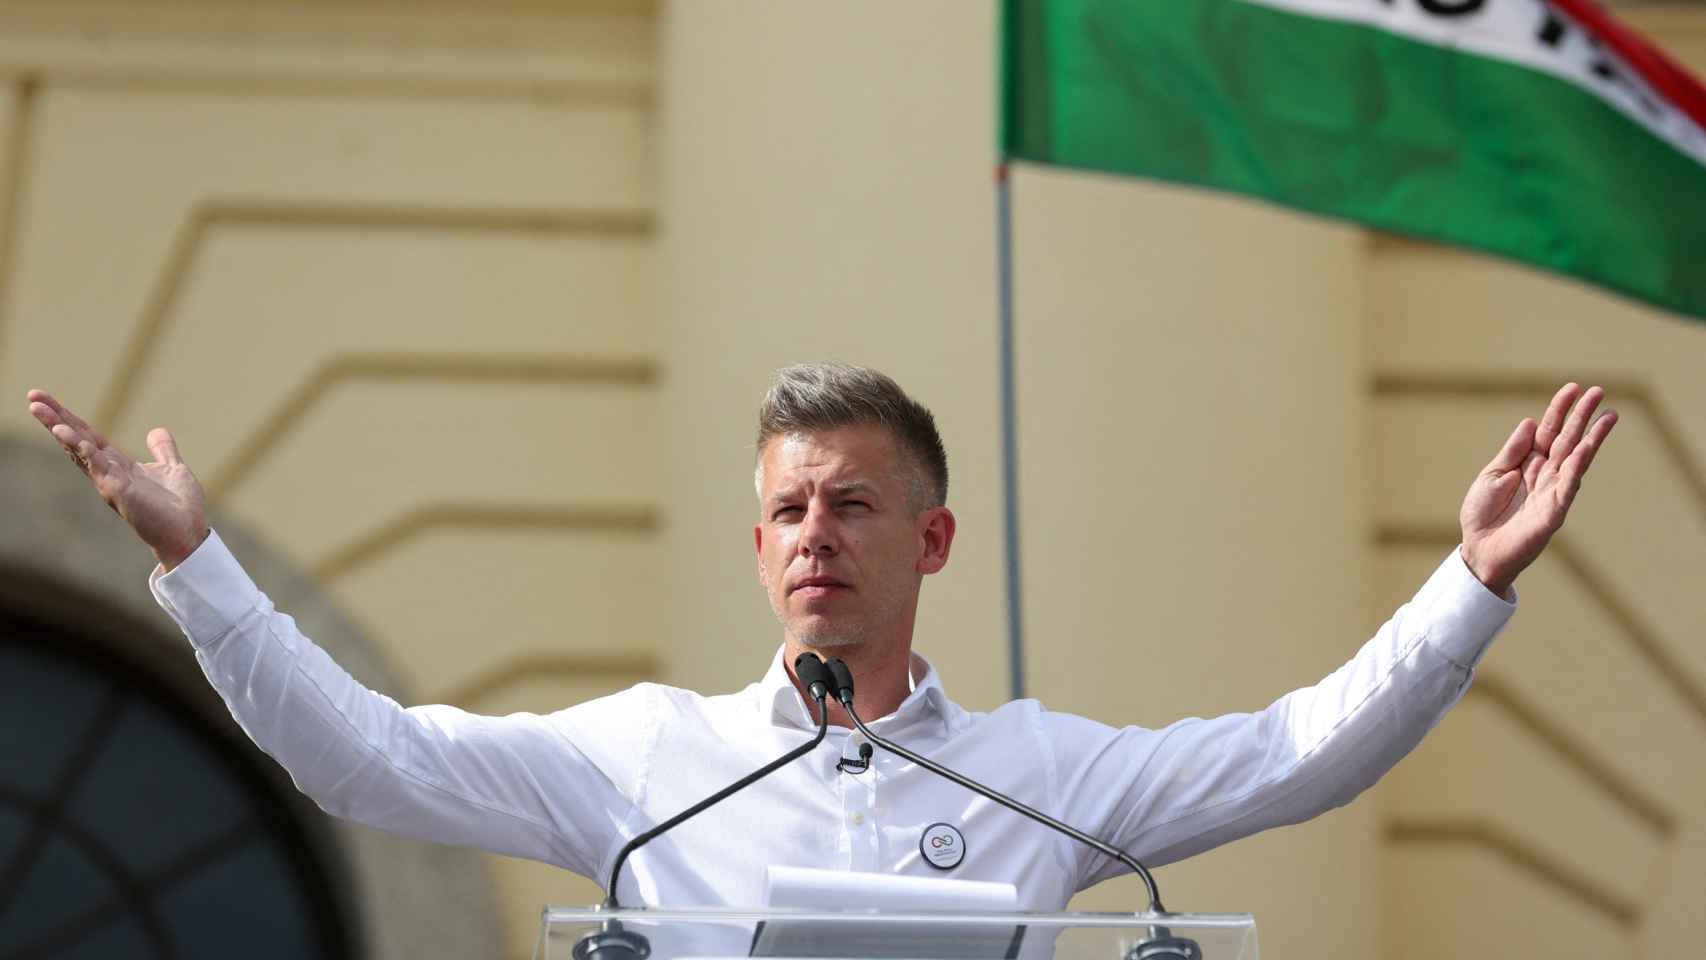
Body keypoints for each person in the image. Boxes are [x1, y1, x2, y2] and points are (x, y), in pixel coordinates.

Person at [23, 363, 1617, 913]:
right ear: (756, 546)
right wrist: (202, 569)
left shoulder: (1035, 776)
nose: (813, 535)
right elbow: (361, 759)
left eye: (853, 506)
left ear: (929, 542)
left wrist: (1466, 582)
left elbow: (1291, 756)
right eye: (786, 510)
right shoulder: (648, 756)